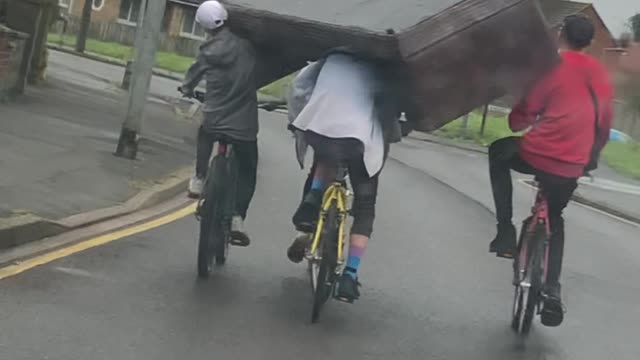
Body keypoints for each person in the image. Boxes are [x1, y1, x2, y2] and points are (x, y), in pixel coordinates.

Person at [487, 14, 614, 326]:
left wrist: (519, 118)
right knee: (554, 220)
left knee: (498, 152)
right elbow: (604, 123)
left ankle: (505, 232)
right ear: (590, 42)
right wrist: (589, 159)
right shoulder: (598, 73)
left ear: (561, 35)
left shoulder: (549, 66)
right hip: (571, 165)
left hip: (537, 154)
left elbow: (521, 118)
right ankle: (552, 293)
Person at [285, 50, 406, 303]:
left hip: (319, 132)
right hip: (356, 142)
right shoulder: (382, 68)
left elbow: (299, 85)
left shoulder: (330, 57)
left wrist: (297, 119)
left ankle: (314, 196)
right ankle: (349, 275)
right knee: (364, 206)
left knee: (327, 152)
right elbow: (389, 111)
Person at [180, 0, 258, 246]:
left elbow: (192, 77)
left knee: (205, 132)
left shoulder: (208, 51)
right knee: (248, 169)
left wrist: (186, 88)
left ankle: (200, 177)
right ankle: (237, 216)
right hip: (243, 126)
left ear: (204, 27)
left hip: (215, 119)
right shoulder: (248, 48)